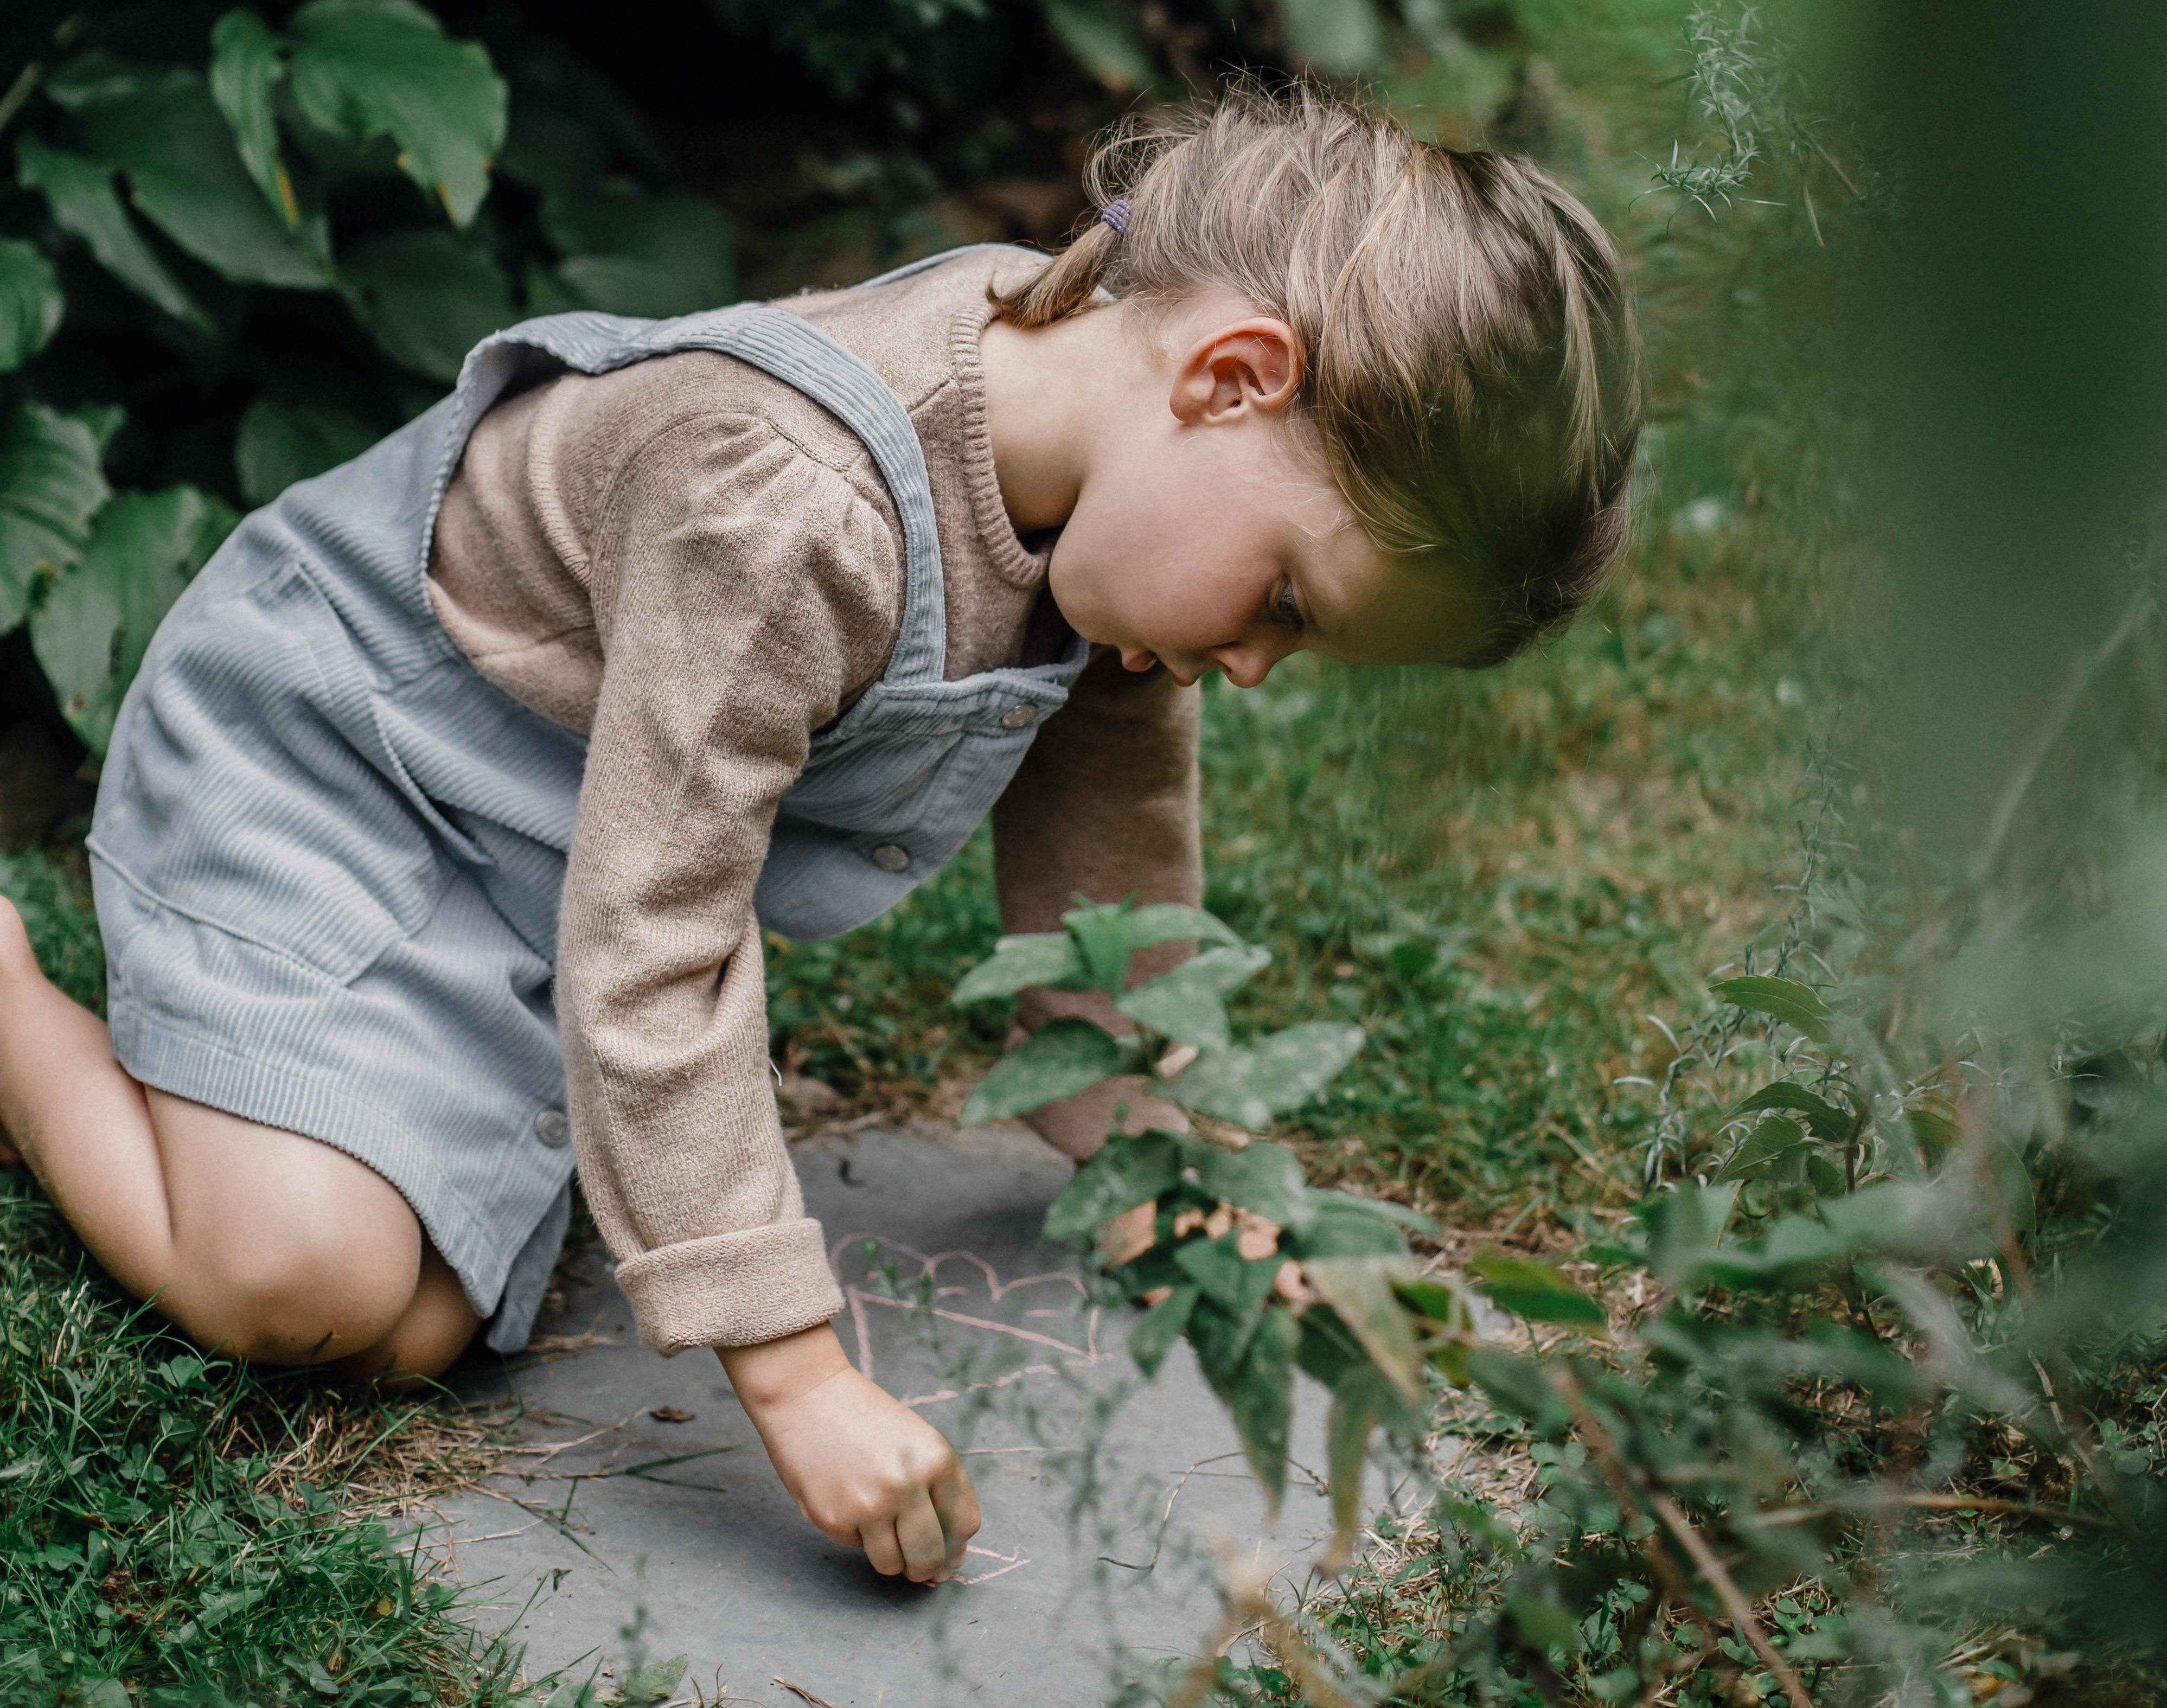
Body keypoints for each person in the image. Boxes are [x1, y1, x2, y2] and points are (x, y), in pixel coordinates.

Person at [0, 83, 1641, 1587]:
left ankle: (498, 1098)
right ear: (1228, 379)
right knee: (298, 1288)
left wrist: (1160, 1162)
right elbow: (658, 936)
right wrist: (795, 1376)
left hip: (551, 851)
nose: (1259, 664)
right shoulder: (791, 501)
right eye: (1288, 601)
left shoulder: (1112, 484)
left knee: (414, 1330)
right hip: (341, 761)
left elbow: (1110, 865)